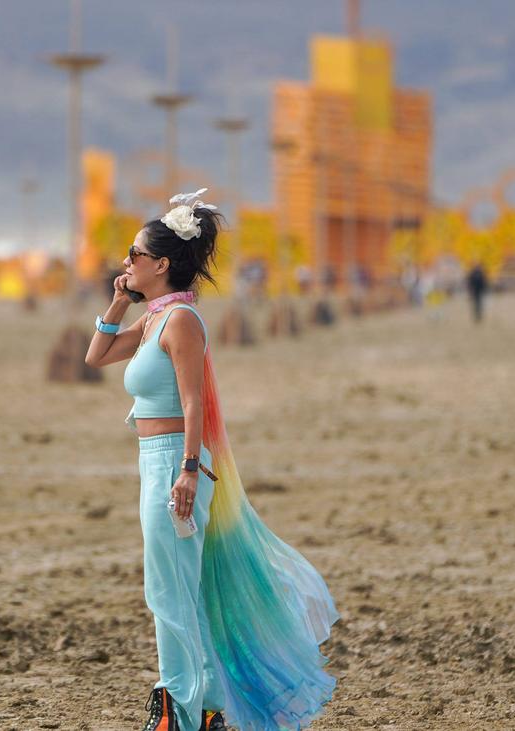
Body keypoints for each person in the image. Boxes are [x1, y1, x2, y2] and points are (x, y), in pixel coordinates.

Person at [85, 188, 338, 731]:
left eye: (134, 254)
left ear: (161, 264)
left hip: (175, 463)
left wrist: (187, 471)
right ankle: (202, 708)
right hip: (153, 461)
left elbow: (194, 401)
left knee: (168, 591)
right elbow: (96, 355)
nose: (126, 262)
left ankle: (179, 708)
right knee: (179, 589)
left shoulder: (180, 321)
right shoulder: (154, 319)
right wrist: (120, 301)